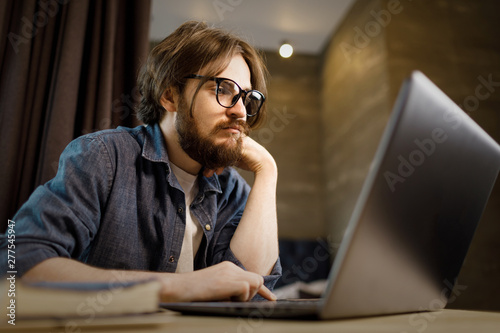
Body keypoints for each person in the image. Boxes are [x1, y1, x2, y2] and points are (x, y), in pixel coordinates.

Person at [0, 21, 281, 302]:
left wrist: (267, 170)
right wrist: (179, 286)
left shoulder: (231, 188)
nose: (242, 112)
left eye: (247, 97)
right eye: (223, 89)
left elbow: (252, 296)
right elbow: (15, 263)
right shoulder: (103, 157)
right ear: (169, 95)